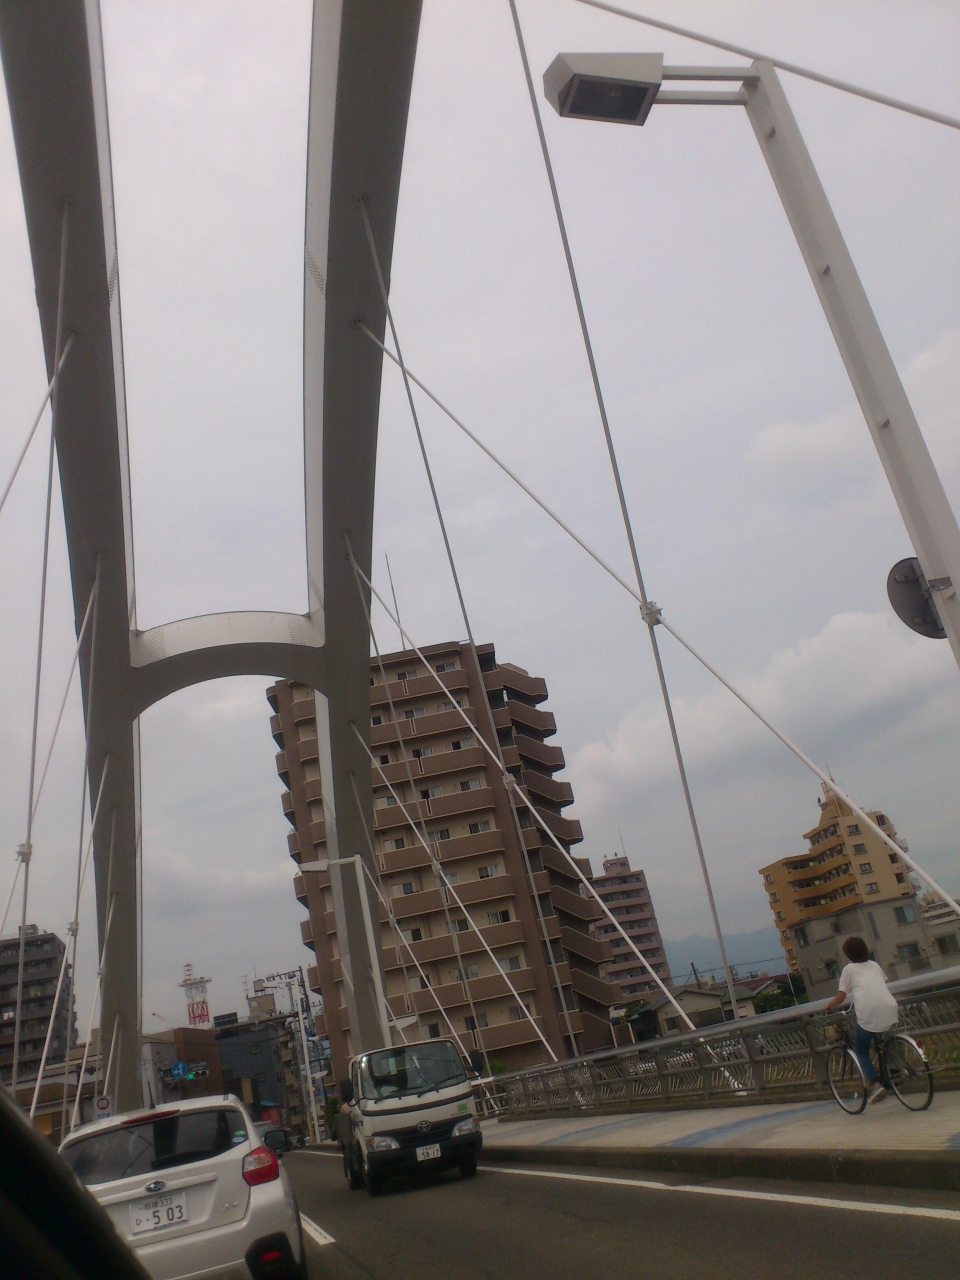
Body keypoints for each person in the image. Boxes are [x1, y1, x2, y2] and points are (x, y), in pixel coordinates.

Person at [823, 935, 899, 1104]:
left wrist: (828, 1005)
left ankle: (876, 1084)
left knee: (861, 1051)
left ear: (848, 954)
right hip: (889, 1007)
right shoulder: (874, 965)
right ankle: (892, 1071)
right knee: (881, 1042)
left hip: (868, 1013)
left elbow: (842, 996)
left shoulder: (848, 970)